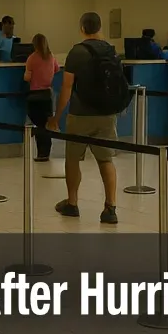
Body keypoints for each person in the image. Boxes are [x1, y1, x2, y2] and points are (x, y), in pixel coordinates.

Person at [50, 12, 120, 225]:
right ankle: (110, 208)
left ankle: (72, 203)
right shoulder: (111, 51)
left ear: (82, 28)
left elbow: (67, 88)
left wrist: (57, 116)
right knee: (105, 159)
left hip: (80, 114)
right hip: (106, 114)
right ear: (100, 28)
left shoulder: (77, 52)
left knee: (73, 159)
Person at [24, 33, 60, 162]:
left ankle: (41, 153)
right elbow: (57, 69)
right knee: (45, 124)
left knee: (39, 125)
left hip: (35, 95)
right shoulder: (51, 57)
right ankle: (45, 153)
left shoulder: (32, 58)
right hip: (47, 94)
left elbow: (27, 77)